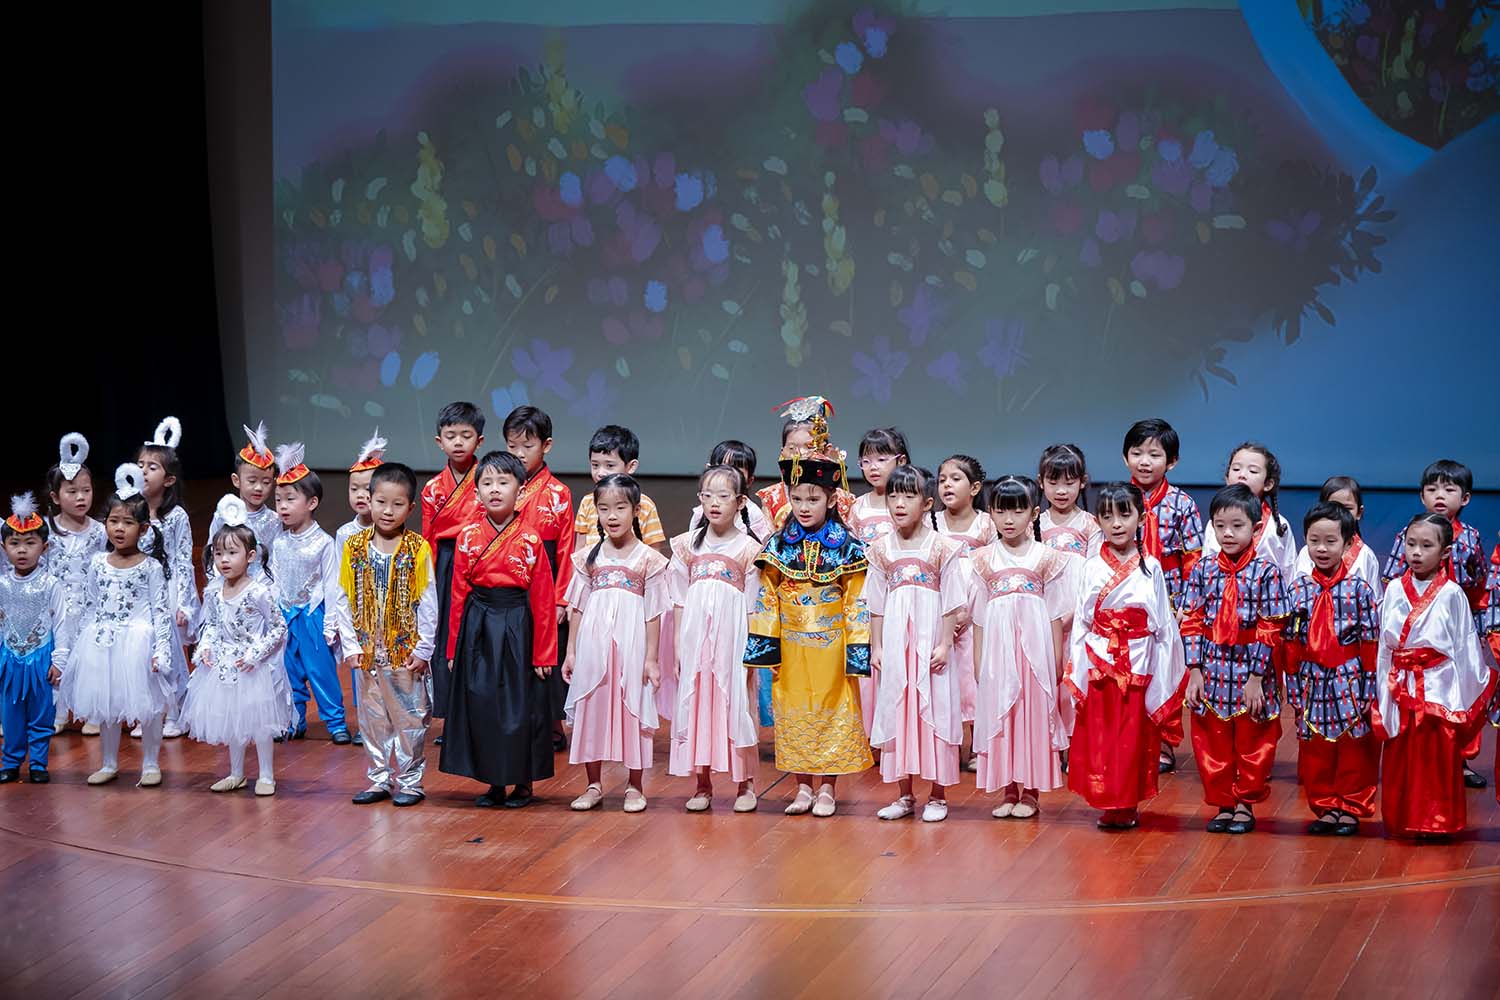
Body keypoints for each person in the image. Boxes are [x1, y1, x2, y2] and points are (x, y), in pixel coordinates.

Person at [745, 395, 871, 817]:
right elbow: (766, 597)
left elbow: (856, 601)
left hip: (832, 645)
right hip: (793, 645)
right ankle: (801, 787)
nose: (803, 508)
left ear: (831, 500)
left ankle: (828, 787)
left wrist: (857, 650)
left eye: (812, 500)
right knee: (793, 709)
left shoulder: (848, 548)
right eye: (797, 500)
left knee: (832, 708)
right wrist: (766, 645)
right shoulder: (779, 544)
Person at [440, 451, 557, 808]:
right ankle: (493, 782)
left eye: (503, 482)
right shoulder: (468, 537)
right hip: (477, 624)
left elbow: (543, 601)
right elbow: (458, 592)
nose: (494, 490)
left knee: (519, 707)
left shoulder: (532, 540)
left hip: (517, 623)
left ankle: (522, 783)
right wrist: (452, 648)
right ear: (476, 493)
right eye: (486, 483)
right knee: (482, 703)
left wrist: (544, 652)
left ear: (521, 491)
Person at [1066, 483, 1186, 831]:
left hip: (1138, 661)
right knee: (1103, 737)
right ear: (1098, 521)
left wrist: (1164, 671)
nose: (1116, 524)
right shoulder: (1091, 567)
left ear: (1141, 517)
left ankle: (1128, 802)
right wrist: (1079, 667)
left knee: (1132, 737)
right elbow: (1082, 622)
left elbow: (1163, 625)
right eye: (1107, 516)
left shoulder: (1151, 567)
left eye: (1124, 514)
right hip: (1101, 660)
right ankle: (1108, 801)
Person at [1374, 514, 1496, 838]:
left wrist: (1466, 696)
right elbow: (1385, 648)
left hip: (1439, 684)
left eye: (1426, 545)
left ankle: (1436, 821)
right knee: (1402, 753)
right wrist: (1383, 690)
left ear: (1444, 553)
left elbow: (1466, 646)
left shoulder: (1453, 593)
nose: (1416, 552)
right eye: (1411, 544)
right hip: (1401, 682)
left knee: (1437, 755)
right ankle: (1403, 818)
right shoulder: (1395, 590)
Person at [1180, 484, 1290, 835]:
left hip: (1249, 668)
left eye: (1237, 525)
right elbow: (1193, 620)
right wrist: (1194, 670)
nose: (1227, 533)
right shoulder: (1202, 569)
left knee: (1251, 739)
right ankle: (1223, 801)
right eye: (1220, 525)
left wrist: (1256, 677)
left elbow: (1270, 626)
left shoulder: (1267, 572)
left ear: (1256, 528)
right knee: (1212, 739)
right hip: (1212, 667)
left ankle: (1245, 803)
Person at [58, 464, 175, 788]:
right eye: (113, 521)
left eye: (127, 522)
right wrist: (79, 643)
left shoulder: (150, 567)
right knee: (106, 701)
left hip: (139, 641)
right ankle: (109, 762)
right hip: (103, 640)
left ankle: (150, 763)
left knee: (148, 705)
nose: (119, 529)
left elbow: (160, 611)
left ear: (144, 528)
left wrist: (161, 650)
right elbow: (90, 604)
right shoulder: (98, 563)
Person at [971, 476, 1080, 820]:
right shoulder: (982, 559)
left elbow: (1055, 614)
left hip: (1035, 652)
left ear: (1033, 513)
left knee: (1031, 714)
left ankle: (1031, 791)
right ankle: (1007, 789)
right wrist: (978, 661)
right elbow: (977, 618)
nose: (1009, 519)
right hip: (998, 650)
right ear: (990, 513)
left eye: (1017, 511)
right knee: (1002, 715)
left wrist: (1057, 658)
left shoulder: (1048, 558)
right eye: (1001, 511)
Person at [1378, 459, 1490, 788]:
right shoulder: (1407, 535)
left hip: (1456, 626)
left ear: (1465, 498)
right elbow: (1392, 579)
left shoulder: (1469, 537)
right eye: (1432, 489)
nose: (1440, 495)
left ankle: (1461, 758)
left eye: (1449, 489)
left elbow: (1479, 580)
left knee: (1460, 691)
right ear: (1422, 496)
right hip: (1417, 632)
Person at [562, 474, 670, 813]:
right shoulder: (587, 559)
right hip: (594, 642)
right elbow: (577, 607)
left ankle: (635, 785)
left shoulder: (648, 559)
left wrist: (652, 658)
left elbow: (654, 613)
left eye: (620, 508)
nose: (612, 515)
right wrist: (571, 651)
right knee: (592, 706)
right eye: (604, 508)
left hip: (632, 642)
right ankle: (592, 784)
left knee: (632, 707)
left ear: (636, 511)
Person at [867, 465, 965, 822]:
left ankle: (938, 795)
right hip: (896, 640)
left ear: (926, 503)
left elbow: (953, 599)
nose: (898, 503)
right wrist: (876, 647)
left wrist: (944, 643)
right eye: (893, 495)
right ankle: (904, 793)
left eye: (908, 496)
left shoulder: (943, 548)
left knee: (935, 707)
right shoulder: (880, 549)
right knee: (898, 705)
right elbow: (876, 603)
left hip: (930, 641)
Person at [337, 463, 438, 808]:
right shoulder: (353, 547)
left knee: (410, 715)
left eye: (397, 504)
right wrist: (349, 643)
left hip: (404, 651)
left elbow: (428, 602)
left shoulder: (417, 549)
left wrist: (424, 648)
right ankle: (379, 778)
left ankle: (411, 780)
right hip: (366, 651)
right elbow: (341, 597)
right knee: (372, 717)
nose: (387, 511)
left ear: (410, 508)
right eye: (381, 502)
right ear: (369, 500)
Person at [1280, 502, 1381, 835]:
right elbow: (1291, 642)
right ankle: (1324, 805)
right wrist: (1292, 684)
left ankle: (1351, 805)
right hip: (1311, 678)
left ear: (1349, 544)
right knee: (1316, 746)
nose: (1321, 549)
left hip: (1347, 676)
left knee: (1353, 745)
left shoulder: (1360, 590)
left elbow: (1369, 642)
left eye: (1330, 541)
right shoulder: (1296, 589)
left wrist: (1368, 687)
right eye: (1314, 541)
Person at [668, 466, 764, 813]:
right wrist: (678, 644)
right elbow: (678, 600)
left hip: (733, 635)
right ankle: (702, 782)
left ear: (740, 502)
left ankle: (745, 783)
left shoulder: (750, 549)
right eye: (707, 495)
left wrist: (753, 648)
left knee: (736, 702)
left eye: (724, 496)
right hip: (696, 637)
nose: (714, 503)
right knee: (698, 702)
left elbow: (755, 604)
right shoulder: (685, 547)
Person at [180, 495, 291, 796]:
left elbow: (279, 627)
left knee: (259, 721)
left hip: (253, 666)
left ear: (251, 556)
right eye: (218, 554)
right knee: (233, 720)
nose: (224, 560)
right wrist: (205, 648)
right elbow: (212, 625)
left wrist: (255, 654)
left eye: (231, 553)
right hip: (225, 664)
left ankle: (266, 774)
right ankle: (236, 772)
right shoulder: (215, 592)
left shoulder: (258, 592)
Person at [1122, 417, 1202, 773]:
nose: (1144, 461)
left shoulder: (1182, 504)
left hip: (1169, 602)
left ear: (1171, 462)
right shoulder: (1118, 502)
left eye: (1154, 454)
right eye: (1136, 452)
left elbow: (1193, 559)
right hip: (1129, 602)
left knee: (1167, 673)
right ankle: (1131, 739)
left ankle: (1165, 744)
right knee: (1130, 671)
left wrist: (1187, 605)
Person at [268, 443, 352, 743]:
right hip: (285, 615)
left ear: (312, 502)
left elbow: (332, 585)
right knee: (288, 672)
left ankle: (336, 722)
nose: (283, 506)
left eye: (291, 499)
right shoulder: (278, 542)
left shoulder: (324, 543)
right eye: (279, 500)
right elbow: (275, 579)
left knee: (321, 671)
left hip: (313, 615)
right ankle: (294, 720)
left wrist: (330, 623)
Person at [504, 406, 575, 747]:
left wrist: (562, 598)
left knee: (547, 654)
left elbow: (565, 550)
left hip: (545, 580)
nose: (518, 454)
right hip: (508, 580)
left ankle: (552, 725)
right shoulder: (500, 487)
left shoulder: (558, 494)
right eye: (512, 446)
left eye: (526, 446)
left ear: (546, 446)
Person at [421, 401, 487, 724]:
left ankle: (480, 711)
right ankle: (450, 715)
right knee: (446, 633)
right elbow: (429, 538)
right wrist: (428, 580)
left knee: (478, 632)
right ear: (439, 441)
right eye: (451, 436)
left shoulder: (487, 480)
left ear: (480, 441)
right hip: (446, 562)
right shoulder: (433, 489)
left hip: (480, 558)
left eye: (466, 435)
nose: (458, 442)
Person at [0, 495, 69, 784]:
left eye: (30, 543)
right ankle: (11, 761)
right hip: (9, 659)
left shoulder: (51, 584)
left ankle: (39, 763)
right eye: (15, 543)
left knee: (42, 712)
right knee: (10, 713)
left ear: (45, 547)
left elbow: (63, 621)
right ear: (4, 548)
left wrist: (60, 660)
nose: (22, 550)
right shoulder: (2, 583)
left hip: (41, 656)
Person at [138, 417, 199, 739]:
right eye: (141, 465)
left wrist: (184, 604)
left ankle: (177, 710)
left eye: (152, 467)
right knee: (143, 653)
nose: (144, 472)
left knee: (171, 654)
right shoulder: (131, 513)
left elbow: (182, 561)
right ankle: (149, 712)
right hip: (139, 593)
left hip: (169, 592)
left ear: (170, 479)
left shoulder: (176, 517)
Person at [41, 433, 106, 735]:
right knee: (59, 652)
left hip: (90, 605)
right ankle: (59, 709)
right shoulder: (46, 530)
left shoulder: (100, 531)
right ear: (55, 497)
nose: (81, 497)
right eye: (72, 492)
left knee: (89, 657)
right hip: (57, 606)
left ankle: (91, 710)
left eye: (86, 490)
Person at [935, 454, 993, 770]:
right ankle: (947, 747)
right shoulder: (932, 522)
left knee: (972, 678)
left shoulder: (986, 524)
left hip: (975, 616)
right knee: (947, 680)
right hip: (943, 614)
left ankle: (976, 746)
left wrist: (970, 611)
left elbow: (989, 570)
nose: (947, 485)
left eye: (955, 479)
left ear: (974, 487)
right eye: (942, 479)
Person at [1200, 442, 1296, 585]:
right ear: (1227, 478)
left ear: (1268, 484)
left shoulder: (1279, 526)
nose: (1242, 475)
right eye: (1236, 469)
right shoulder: (1214, 523)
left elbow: (1288, 572)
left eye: (1253, 471)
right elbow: (1205, 569)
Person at [755, 400, 855, 529]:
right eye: (792, 448)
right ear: (782, 451)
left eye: (809, 447)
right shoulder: (771, 496)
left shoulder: (843, 499)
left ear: (825, 450)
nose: (800, 454)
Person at [204, 421, 282, 579]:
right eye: (252, 481)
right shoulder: (223, 516)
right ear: (236, 480)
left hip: (262, 589)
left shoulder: (274, 520)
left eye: (266, 482)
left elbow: (276, 560)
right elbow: (212, 552)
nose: (259, 488)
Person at [1292, 476, 1383, 599]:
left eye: (1347, 508)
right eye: (1333, 505)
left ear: (1359, 512)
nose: (1339, 513)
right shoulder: (1306, 553)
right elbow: (1296, 593)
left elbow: (1375, 600)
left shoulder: (1366, 555)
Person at [1038, 444, 1102, 558]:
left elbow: (1094, 567)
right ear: (1041, 482)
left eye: (1069, 483)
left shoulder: (1091, 525)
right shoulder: (1034, 525)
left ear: (1083, 481)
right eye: (1053, 483)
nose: (1061, 491)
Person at [335, 428, 388, 555]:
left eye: (367, 488)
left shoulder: (390, 532)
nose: (360, 495)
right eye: (354, 489)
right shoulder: (344, 534)